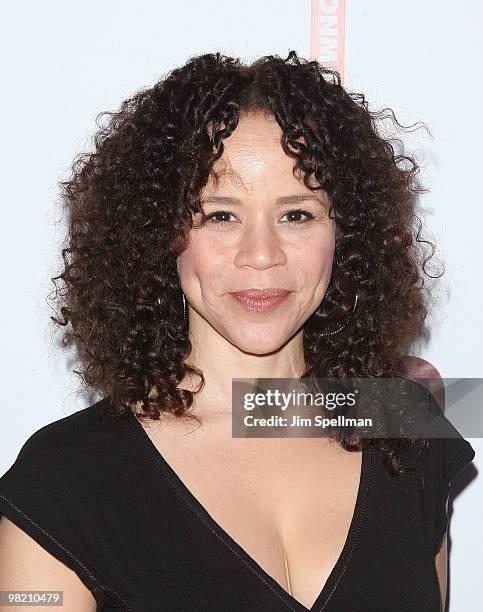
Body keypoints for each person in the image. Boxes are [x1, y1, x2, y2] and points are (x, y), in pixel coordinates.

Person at [0, 50, 475, 612]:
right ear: (160, 235)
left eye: (297, 214)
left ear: (346, 234)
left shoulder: (405, 427)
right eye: (221, 215)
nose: (261, 256)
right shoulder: (65, 479)